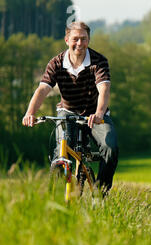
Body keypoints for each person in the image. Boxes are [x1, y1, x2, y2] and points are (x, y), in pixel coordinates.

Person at [22, 21, 119, 195]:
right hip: (67, 112)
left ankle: (100, 193)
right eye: (75, 39)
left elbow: (104, 89)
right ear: (67, 40)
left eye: (83, 39)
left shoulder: (99, 61)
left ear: (89, 40)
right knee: (62, 149)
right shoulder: (56, 63)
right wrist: (30, 113)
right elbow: (43, 89)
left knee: (110, 147)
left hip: (95, 114)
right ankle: (58, 196)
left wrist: (99, 113)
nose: (79, 43)